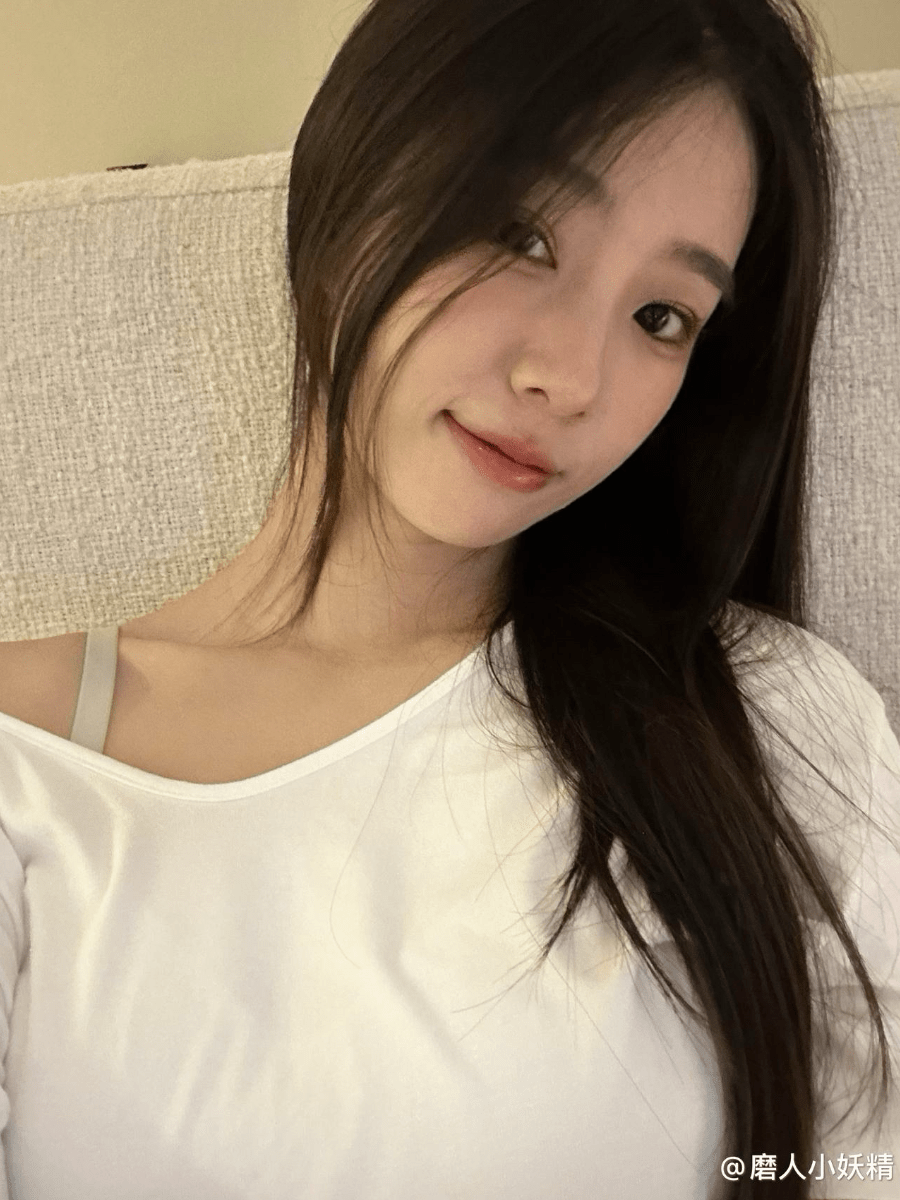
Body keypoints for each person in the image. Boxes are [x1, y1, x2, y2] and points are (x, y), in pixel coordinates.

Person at [0, 0, 897, 1197]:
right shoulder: (31, 766)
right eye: (522, 234)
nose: (570, 377)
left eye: (661, 317)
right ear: (358, 178)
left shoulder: (773, 721)